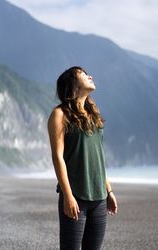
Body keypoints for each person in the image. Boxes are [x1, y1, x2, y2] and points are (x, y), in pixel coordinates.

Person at [47, 66, 118, 250]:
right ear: (73, 84)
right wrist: (68, 196)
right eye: (84, 75)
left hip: (99, 198)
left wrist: (109, 191)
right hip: (75, 196)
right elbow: (58, 157)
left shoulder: (93, 115)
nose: (90, 76)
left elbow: (98, 157)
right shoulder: (59, 115)